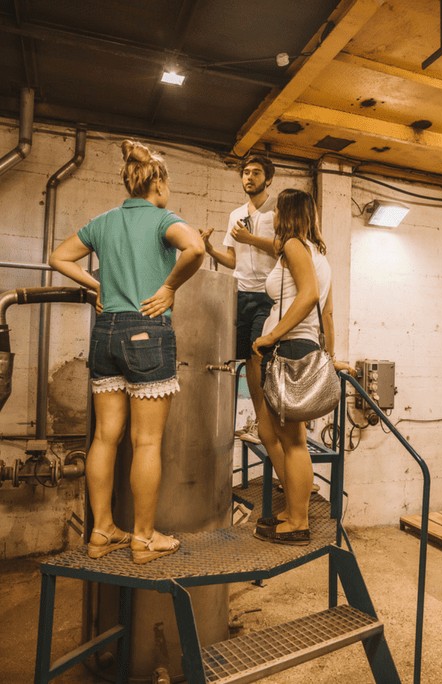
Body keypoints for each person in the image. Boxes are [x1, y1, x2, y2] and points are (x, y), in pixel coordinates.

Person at [49, 140, 204, 564]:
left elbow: (59, 256)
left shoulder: (104, 222)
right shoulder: (161, 219)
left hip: (106, 333)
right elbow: (196, 248)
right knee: (147, 441)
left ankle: (101, 532)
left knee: (105, 437)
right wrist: (170, 286)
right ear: (159, 183)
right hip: (147, 333)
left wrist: (97, 286)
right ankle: (143, 538)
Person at [250, 188, 352, 545]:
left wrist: (270, 335)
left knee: (294, 443)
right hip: (301, 346)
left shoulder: (294, 245)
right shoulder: (320, 257)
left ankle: (298, 521)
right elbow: (328, 315)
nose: (274, 217)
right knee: (267, 430)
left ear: (288, 213)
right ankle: (295, 503)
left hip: (289, 347)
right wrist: (328, 357)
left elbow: (308, 297)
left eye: (277, 210)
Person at [200, 156, 281, 447]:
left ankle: (267, 422)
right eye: (245, 173)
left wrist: (249, 238)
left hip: (268, 296)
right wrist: (209, 248)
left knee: (260, 356)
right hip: (241, 292)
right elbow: (232, 259)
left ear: (268, 179)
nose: (249, 177)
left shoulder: (276, 212)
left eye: (256, 173)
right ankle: (259, 420)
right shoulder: (235, 215)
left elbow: (282, 249)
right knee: (245, 359)